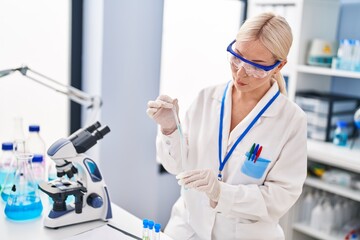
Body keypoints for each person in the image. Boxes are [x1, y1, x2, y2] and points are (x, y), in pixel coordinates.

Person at [147, 12, 307, 240]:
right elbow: (178, 167)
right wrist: (170, 129)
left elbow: (279, 198)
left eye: (256, 66)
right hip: (188, 228)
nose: (241, 72)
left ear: (279, 65)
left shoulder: (291, 120)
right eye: (237, 57)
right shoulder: (206, 98)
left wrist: (222, 193)